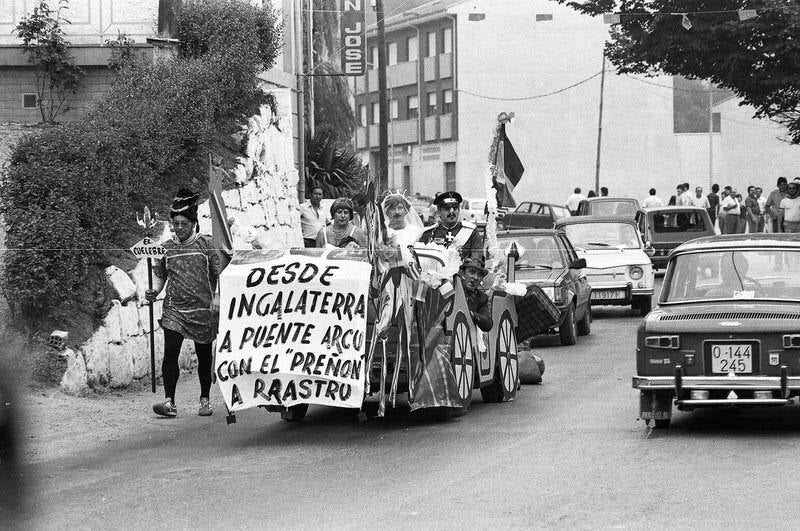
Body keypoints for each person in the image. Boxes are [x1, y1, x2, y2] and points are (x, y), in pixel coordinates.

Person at [146, 189, 220, 418]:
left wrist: (217, 296)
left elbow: (220, 273)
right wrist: (154, 290)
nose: (179, 228)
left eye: (183, 224)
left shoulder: (206, 245)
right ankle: (169, 401)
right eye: (175, 224)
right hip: (174, 310)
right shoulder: (166, 248)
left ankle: (205, 399)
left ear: (193, 223)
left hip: (202, 310)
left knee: (204, 355)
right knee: (170, 352)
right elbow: (160, 275)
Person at [419, 191, 480, 261]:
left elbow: (477, 260)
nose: (452, 212)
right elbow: (421, 260)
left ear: (459, 210)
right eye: (447, 208)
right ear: (439, 211)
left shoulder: (471, 232)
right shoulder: (429, 233)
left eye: (455, 208)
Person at [459, 257, 492, 332]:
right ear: (462, 273)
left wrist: (472, 315)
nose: (476, 277)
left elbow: (488, 324)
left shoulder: (481, 298)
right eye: (472, 272)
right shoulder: (451, 290)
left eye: (479, 275)